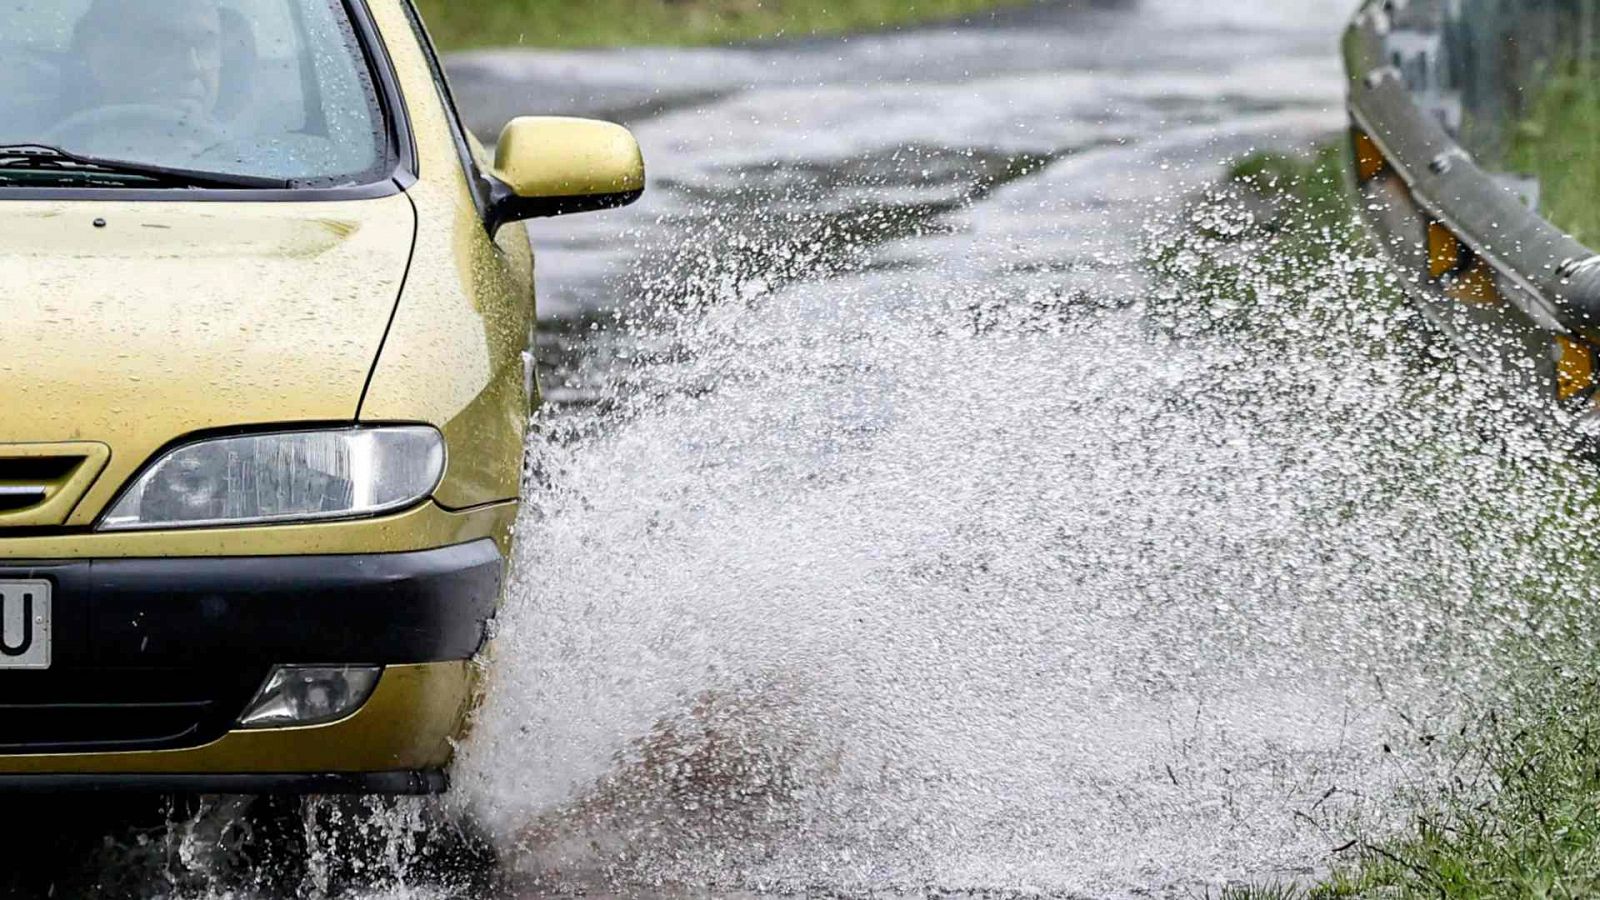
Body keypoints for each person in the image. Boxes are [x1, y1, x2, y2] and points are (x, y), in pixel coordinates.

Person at [71, 0, 225, 122]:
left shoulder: (238, 157)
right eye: (165, 43)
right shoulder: (55, 145)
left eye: (206, 45)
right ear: (101, 55)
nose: (193, 67)